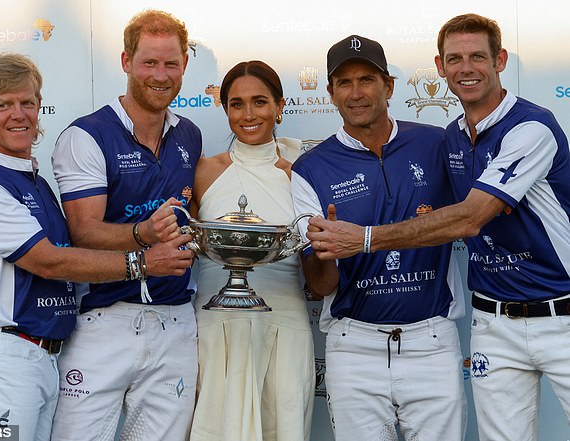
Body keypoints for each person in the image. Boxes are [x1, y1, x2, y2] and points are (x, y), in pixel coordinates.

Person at [306, 14, 570, 441]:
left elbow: (469, 217)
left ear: (500, 59)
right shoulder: (450, 138)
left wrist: (367, 238)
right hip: (493, 323)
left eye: (478, 57)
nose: (466, 68)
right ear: (440, 66)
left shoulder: (531, 127)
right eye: (455, 59)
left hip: (562, 314)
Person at [0, 52, 194, 441]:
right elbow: (49, 262)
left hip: (40, 357)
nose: (19, 114)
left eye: (27, 102)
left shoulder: (35, 182)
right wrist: (142, 262)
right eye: (4, 105)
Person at [291, 35, 467, 441]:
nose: (357, 93)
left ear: (388, 86)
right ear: (330, 93)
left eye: (367, 80)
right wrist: (326, 249)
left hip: (432, 341)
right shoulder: (310, 168)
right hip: (354, 347)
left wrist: (368, 237)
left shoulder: (437, 143)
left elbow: (473, 217)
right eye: (345, 83)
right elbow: (321, 284)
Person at [49, 9, 202, 441]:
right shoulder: (87, 136)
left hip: (175, 321)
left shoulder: (189, 134)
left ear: (185, 66)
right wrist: (142, 236)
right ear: (125, 62)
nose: (160, 74)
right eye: (149, 62)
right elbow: (84, 232)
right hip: (105, 320)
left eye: (171, 63)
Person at [189, 60, 314, 441]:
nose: (248, 114)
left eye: (260, 102)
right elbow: (190, 240)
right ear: (224, 108)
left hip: (285, 321)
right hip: (216, 323)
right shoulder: (204, 171)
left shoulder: (301, 174)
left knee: (283, 426)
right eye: (236, 104)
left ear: (280, 106)